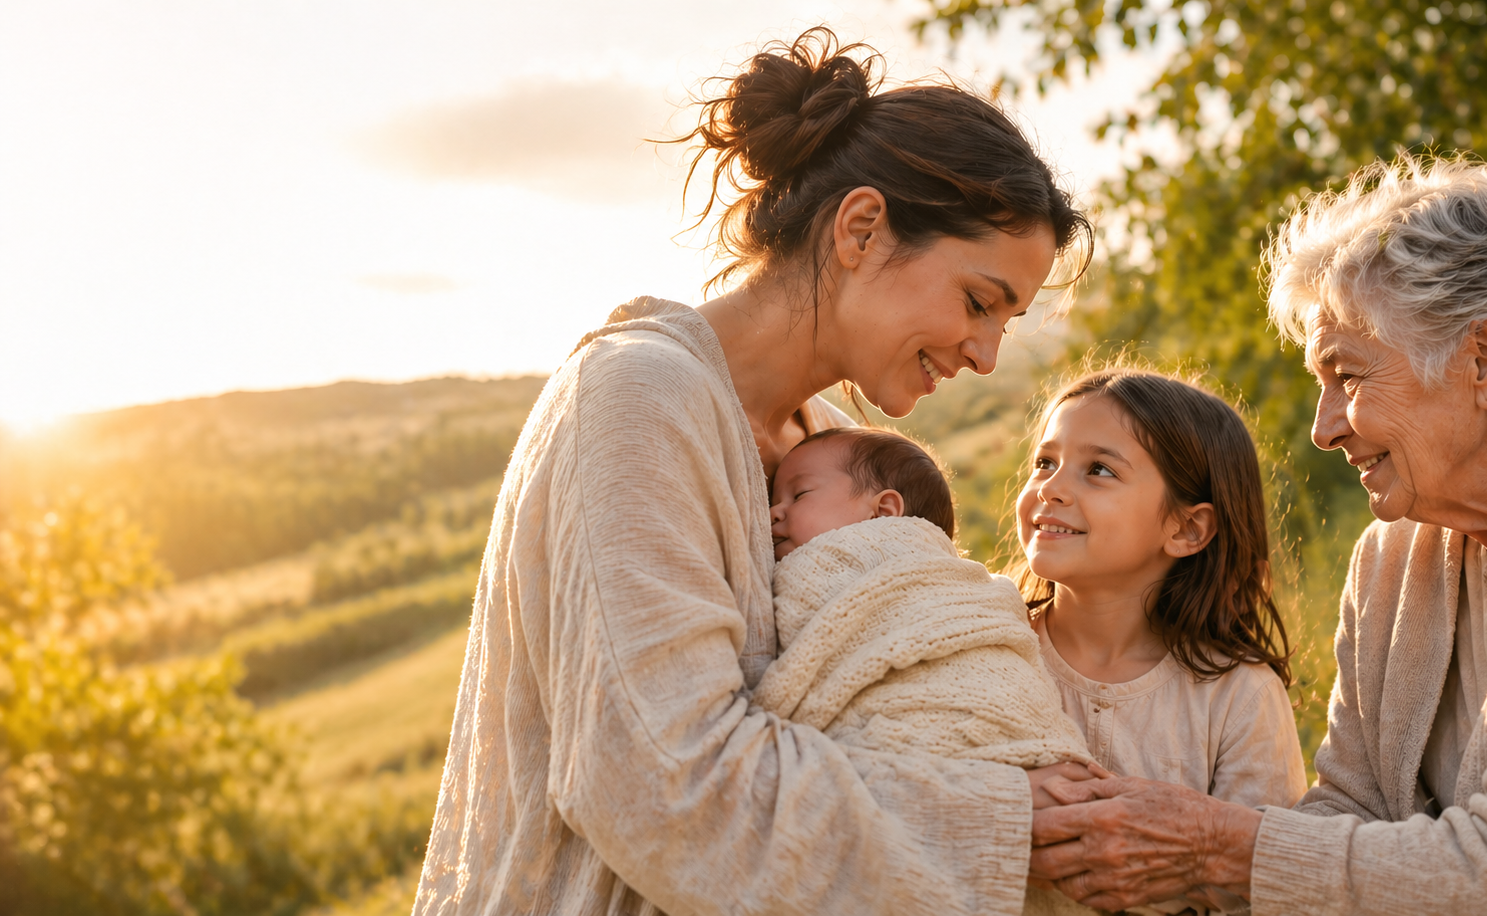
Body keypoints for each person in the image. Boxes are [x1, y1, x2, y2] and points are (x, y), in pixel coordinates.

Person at [411, 26, 1095, 916]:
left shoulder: (833, 448)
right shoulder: (637, 398)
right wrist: (1003, 824)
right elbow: (660, 779)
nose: (986, 354)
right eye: (977, 302)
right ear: (860, 229)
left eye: (1004, 323)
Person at [1027, 155, 1487, 915]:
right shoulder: (1396, 556)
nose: (1323, 429)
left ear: (1485, 360)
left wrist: (1215, 849)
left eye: (1348, 377)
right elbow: (1348, 811)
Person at [1013, 369, 1306, 915]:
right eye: (1045, 462)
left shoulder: (1240, 696)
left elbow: (1258, 884)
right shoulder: (990, 646)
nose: (1049, 488)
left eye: (1098, 470)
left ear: (1187, 529)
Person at [756, 426, 1090, 770]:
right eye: (772, 501)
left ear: (884, 511)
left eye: (798, 495)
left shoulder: (956, 583)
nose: (772, 513)